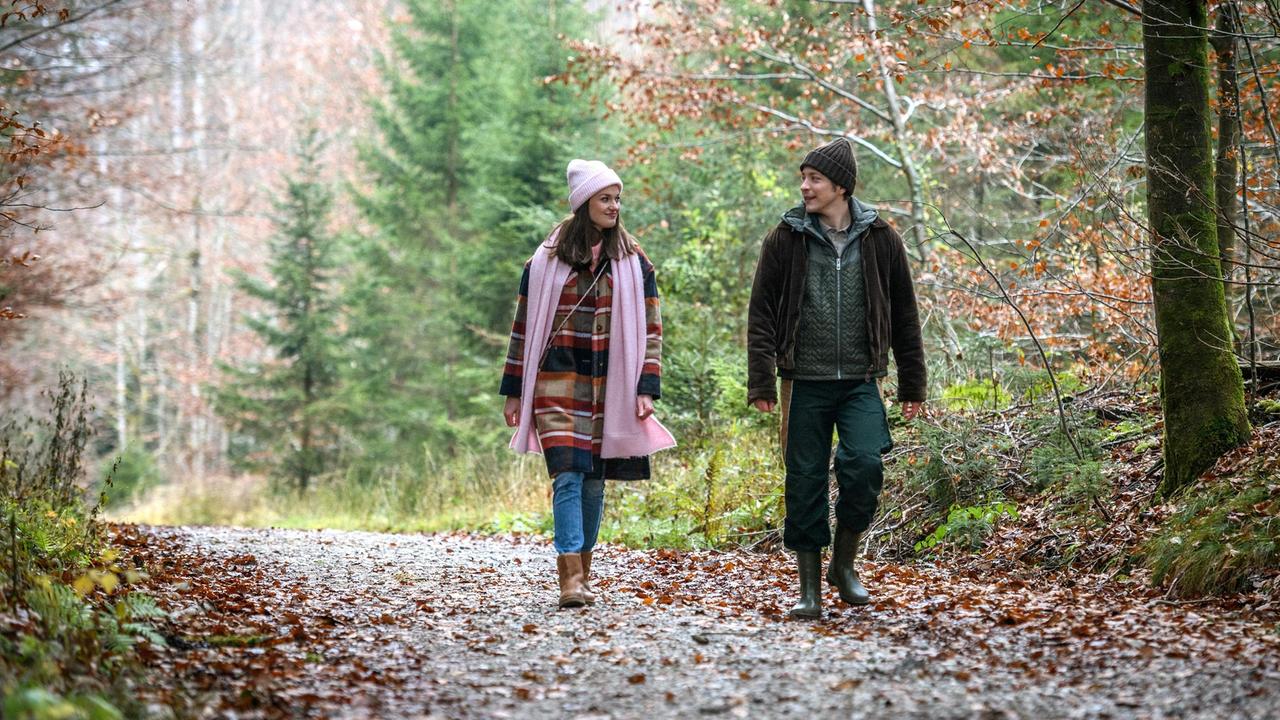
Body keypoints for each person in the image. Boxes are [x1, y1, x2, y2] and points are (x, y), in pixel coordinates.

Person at [747, 137, 926, 619]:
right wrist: (761, 381)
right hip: (803, 380)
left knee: (865, 465)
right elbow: (761, 312)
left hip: (861, 381)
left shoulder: (881, 238)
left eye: (815, 178)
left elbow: (904, 313)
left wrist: (913, 384)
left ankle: (843, 565)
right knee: (803, 480)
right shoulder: (785, 237)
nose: (804, 186)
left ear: (841, 187)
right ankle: (809, 591)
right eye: (803, 178)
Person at [501, 159, 675, 609]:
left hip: (609, 384)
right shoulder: (544, 261)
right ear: (584, 203)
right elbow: (522, 328)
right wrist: (514, 390)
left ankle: (585, 569)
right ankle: (570, 579)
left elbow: (652, 330)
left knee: (595, 482)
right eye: (605, 198)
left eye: (617, 198)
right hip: (555, 384)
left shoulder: (634, 262)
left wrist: (645, 387)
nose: (614, 206)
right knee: (568, 476)